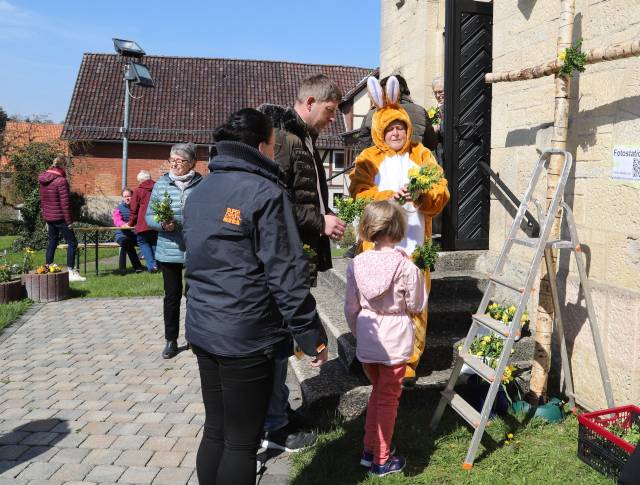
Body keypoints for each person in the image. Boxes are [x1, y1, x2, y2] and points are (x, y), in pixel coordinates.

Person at [183, 108, 329, 485]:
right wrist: (310, 334)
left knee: (216, 429)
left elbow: (196, 261)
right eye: (274, 146)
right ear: (264, 145)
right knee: (241, 441)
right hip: (245, 336)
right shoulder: (265, 192)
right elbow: (286, 274)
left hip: (204, 326)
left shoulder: (201, 189)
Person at [258, 74, 345, 452]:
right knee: (277, 343)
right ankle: (273, 425)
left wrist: (323, 213)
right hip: (284, 258)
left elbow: (304, 195)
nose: (332, 120)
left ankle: (279, 412)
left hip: (299, 255)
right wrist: (319, 220)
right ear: (309, 102)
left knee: (282, 341)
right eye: (329, 111)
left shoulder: (305, 139)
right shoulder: (284, 140)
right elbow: (274, 202)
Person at [349, 76, 450, 386]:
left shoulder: (422, 155)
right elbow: (357, 194)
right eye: (390, 128)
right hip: (378, 246)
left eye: (401, 128)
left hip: (415, 242)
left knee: (414, 302)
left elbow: (441, 192)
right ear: (380, 129)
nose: (396, 133)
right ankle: (375, 355)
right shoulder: (368, 159)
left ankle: (407, 362)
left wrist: (420, 195)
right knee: (377, 301)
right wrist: (386, 196)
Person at [344, 200, 426, 476]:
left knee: (378, 393)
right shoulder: (405, 267)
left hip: (369, 337)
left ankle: (369, 449)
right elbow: (416, 304)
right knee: (389, 399)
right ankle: (382, 459)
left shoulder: (356, 264)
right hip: (394, 340)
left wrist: (358, 332)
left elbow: (350, 307)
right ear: (398, 227)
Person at [145, 143, 203, 359]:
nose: (175, 164)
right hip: (169, 249)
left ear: (192, 163)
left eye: (180, 161)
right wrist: (162, 224)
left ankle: (194, 337)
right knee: (172, 296)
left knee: (195, 295)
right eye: (172, 160)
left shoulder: (202, 184)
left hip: (195, 248)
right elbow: (149, 216)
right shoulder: (161, 184)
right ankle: (171, 340)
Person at [359, 74, 438, 152]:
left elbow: (364, 145)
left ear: (382, 91)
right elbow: (431, 144)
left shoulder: (373, 114)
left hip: (380, 162)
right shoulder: (420, 111)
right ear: (405, 89)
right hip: (414, 162)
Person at [38, 155, 86, 282]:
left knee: (52, 241)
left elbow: (43, 200)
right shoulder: (61, 181)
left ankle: (48, 267)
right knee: (73, 243)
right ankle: (70, 271)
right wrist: (69, 222)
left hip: (49, 217)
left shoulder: (43, 179)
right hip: (60, 217)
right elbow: (65, 203)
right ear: (64, 165)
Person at [129, 170, 157, 273]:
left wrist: (130, 223)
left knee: (143, 243)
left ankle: (152, 266)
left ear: (140, 180)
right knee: (154, 243)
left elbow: (134, 209)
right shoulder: (157, 188)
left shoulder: (138, 190)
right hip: (156, 222)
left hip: (143, 223)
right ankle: (157, 265)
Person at [112, 188, 144, 273]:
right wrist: (123, 224)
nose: (127, 198)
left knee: (147, 241)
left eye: (129, 196)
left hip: (136, 235)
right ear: (122, 198)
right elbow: (116, 220)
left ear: (133, 196)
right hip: (122, 235)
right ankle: (138, 267)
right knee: (127, 243)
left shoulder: (138, 207)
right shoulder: (118, 209)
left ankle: (154, 266)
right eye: (125, 196)